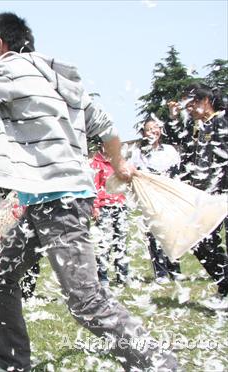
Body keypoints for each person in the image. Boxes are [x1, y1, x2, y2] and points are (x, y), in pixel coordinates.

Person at [0, 13, 177, 371]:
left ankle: (159, 363)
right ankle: (12, 361)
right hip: (49, 204)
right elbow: (107, 128)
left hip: (58, 204)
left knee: (86, 301)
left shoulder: (8, 68)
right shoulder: (63, 80)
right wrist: (119, 164)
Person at [177, 83, 228, 310]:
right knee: (201, 242)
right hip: (205, 197)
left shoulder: (223, 120)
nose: (189, 108)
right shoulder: (198, 127)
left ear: (205, 100)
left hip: (223, 192)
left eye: (192, 103)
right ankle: (225, 284)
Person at [129, 117, 183, 284]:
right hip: (150, 199)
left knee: (172, 233)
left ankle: (175, 269)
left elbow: (178, 173)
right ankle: (160, 272)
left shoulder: (169, 151)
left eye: (156, 128)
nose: (153, 131)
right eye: (149, 129)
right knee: (154, 234)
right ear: (143, 133)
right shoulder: (138, 153)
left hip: (169, 198)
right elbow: (133, 174)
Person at [90, 144, 129, 286]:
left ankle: (123, 275)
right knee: (104, 242)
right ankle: (103, 277)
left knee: (121, 241)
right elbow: (94, 186)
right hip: (104, 207)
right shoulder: (97, 163)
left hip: (120, 205)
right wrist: (95, 206)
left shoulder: (118, 161)